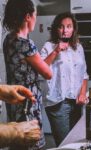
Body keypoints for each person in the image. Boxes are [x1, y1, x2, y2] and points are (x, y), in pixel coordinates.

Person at [3, 0, 53, 149]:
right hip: (28, 103)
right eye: (35, 15)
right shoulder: (26, 44)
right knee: (31, 141)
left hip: (13, 100)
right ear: (27, 17)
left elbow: (33, 65)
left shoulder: (8, 40)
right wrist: (55, 53)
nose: (36, 20)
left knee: (17, 141)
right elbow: (47, 73)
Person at [40, 12, 89, 146]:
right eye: (61, 27)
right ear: (56, 29)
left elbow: (84, 74)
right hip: (58, 103)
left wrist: (83, 93)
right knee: (64, 145)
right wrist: (55, 51)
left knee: (77, 143)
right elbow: (40, 70)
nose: (65, 30)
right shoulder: (48, 46)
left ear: (73, 29)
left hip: (76, 103)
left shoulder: (78, 48)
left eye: (68, 26)